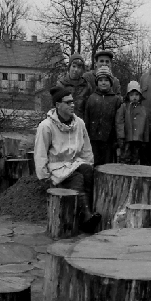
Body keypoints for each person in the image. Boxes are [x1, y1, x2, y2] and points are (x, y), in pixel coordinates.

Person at [34, 85, 101, 232]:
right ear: (58, 105)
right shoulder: (46, 126)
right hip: (56, 167)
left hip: (74, 163)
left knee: (88, 172)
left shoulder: (79, 123)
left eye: (72, 101)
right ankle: (84, 216)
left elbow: (86, 147)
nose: (72, 105)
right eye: (68, 102)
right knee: (77, 179)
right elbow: (40, 153)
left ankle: (88, 211)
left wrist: (88, 163)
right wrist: (44, 176)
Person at [84, 66, 121, 166]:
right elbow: (87, 119)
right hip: (93, 139)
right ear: (97, 82)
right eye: (100, 80)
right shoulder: (91, 98)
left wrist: (117, 140)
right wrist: (85, 137)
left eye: (106, 80)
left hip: (109, 140)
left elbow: (119, 122)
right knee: (94, 164)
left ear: (111, 82)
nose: (103, 83)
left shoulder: (116, 100)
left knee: (107, 165)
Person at [115, 81, 149, 165]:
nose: (134, 97)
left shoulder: (142, 109)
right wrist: (121, 137)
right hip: (126, 138)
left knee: (135, 158)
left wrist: (145, 140)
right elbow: (119, 122)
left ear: (140, 96)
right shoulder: (124, 107)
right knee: (124, 157)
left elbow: (146, 125)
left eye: (136, 95)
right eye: (132, 95)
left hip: (138, 139)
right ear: (128, 96)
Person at [57, 53, 92, 120]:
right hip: (64, 122)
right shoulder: (61, 85)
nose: (76, 69)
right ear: (69, 67)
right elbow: (56, 107)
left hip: (80, 122)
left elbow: (88, 109)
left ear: (82, 70)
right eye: (74, 66)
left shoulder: (86, 86)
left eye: (79, 67)